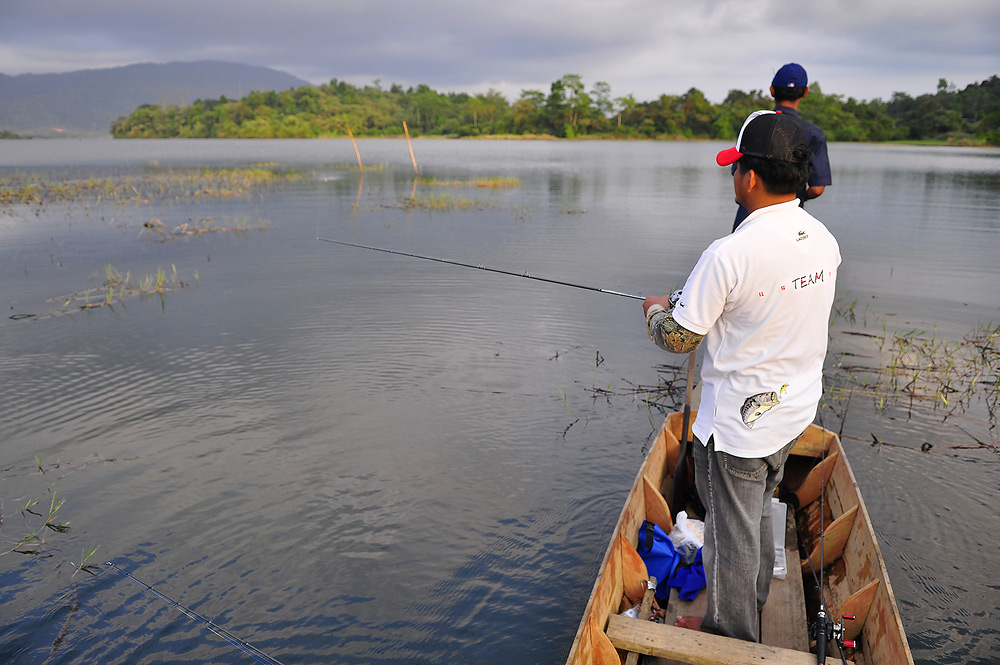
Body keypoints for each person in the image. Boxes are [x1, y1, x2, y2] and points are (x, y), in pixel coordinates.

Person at [642, 110, 841, 642]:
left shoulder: (728, 253)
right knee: (755, 509)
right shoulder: (822, 238)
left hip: (738, 428)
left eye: (735, 169)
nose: (732, 178)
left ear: (750, 177)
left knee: (731, 532)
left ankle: (730, 635)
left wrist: (656, 308)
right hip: (792, 412)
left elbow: (677, 337)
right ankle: (752, 600)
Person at [732, 63, 832, 231]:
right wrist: (796, 196)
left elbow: (739, 173)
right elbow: (816, 189)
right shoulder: (814, 134)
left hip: (748, 217)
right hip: (789, 220)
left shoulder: (754, 125)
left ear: (772, 90)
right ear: (805, 92)